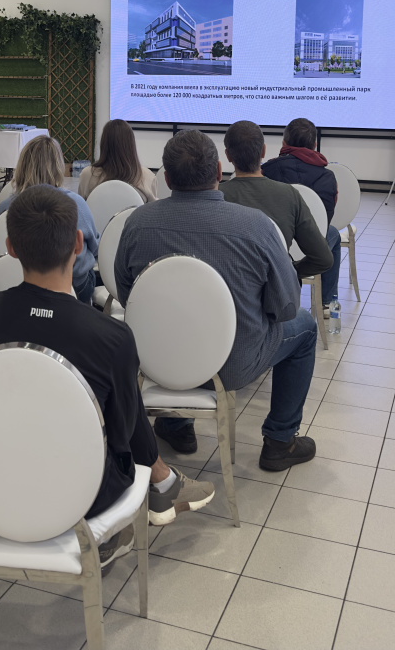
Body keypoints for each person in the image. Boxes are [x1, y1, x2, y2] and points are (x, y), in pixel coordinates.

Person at [0, 185, 215, 542]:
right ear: (78, 243)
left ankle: (163, 484)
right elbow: (121, 434)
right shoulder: (110, 336)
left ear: (10, 247)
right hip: (84, 494)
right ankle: (158, 488)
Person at [115, 129, 317, 472]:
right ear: (220, 171)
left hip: (158, 359)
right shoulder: (257, 226)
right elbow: (285, 308)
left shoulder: (138, 223)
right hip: (233, 366)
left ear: (167, 178)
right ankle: (280, 441)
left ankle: (177, 426)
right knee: (306, 326)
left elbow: (128, 297)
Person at [220, 120, 333, 282]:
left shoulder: (216, 196)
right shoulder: (290, 195)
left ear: (227, 155)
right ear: (263, 151)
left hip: (228, 290)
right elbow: (323, 259)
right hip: (276, 293)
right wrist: (287, 272)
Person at [0, 134, 99, 303]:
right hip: (73, 285)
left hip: (16, 282)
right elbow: (94, 246)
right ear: (58, 166)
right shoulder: (75, 204)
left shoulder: (6, 206)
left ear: (22, 165)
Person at [262, 117, 341, 312]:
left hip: (273, 244)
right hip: (311, 247)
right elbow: (325, 220)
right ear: (314, 146)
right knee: (333, 233)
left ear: (284, 143)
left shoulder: (265, 171)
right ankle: (326, 303)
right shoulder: (327, 176)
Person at [78, 119, 157, 203]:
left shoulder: (87, 174)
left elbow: (81, 208)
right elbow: (152, 210)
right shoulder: (148, 177)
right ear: (131, 145)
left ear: (103, 144)